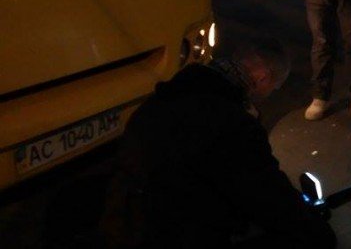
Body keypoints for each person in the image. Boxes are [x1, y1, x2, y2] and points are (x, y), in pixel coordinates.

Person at [99, 41, 336, 249]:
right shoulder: (233, 123)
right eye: (274, 88)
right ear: (263, 78)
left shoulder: (170, 94)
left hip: (123, 221)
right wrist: (311, 221)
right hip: (168, 234)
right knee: (312, 238)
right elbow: (267, 196)